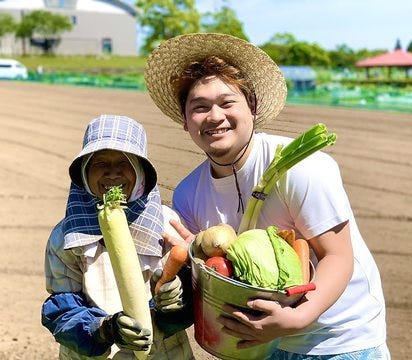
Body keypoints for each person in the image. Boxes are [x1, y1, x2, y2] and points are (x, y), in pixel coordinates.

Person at [144, 33, 389, 359]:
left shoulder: (300, 167)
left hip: (339, 340)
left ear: (253, 108)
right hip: (259, 346)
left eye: (227, 103)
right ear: (186, 122)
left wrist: (296, 317)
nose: (215, 116)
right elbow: (204, 271)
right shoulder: (189, 193)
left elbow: (338, 256)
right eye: (200, 107)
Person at [41, 114, 194, 359]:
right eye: (100, 163)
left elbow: (190, 299)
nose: (113, 173)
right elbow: (62, 311)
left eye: (124, 162)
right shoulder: (66, 236)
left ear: (141, 171)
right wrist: (104, 329)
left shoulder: (166, 224)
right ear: (84, 172)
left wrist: (173, 306)